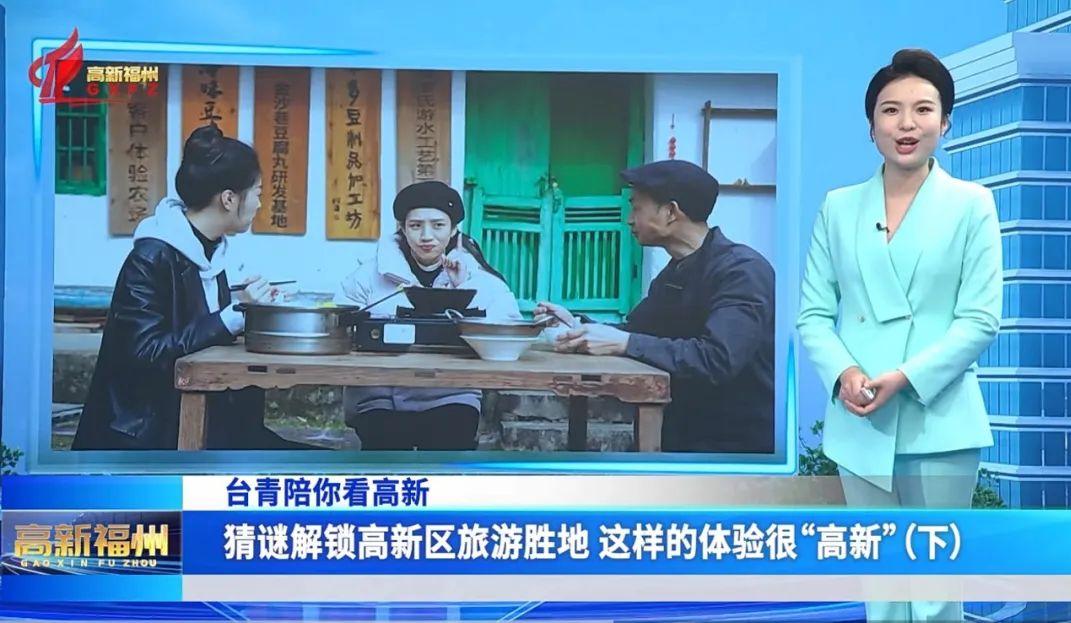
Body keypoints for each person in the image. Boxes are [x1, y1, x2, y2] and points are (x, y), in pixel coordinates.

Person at [796, 49, 1002, 623]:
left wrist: (906, 377)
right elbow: (813, 314)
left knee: (935, 591)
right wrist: (845, 374)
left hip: (940, 420)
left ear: (946, 123)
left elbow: (980, 319)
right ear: (871, 126)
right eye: (890, 110)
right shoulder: (838, 208)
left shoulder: (972, 205)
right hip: (860, 417)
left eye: (922, 109)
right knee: (882, 587)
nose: (906, 124)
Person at [72, 125, 310, 451]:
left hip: (209, 421)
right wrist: (234, 314)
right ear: (229, 199)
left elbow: (201, 327)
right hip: (150, 434)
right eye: (257, 193)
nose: (259, 204)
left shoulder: (213, 251)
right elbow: (146, 353)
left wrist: (251, 307)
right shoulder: (151, 257)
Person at [536, 160, 775, 453]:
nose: (629, 220)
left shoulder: (742, 271)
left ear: (671, 212)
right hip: (681, 435)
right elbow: (637, 332)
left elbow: (717, 358)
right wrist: (576, 326)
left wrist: (625, 342)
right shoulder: (674, 274)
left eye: (636, 208)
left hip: (735, 448)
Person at [338, 181, 519, 450]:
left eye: (438, 225)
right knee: (387, 454)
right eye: (415, 225)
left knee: (448, 452)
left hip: (453, 393)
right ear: (402, 228)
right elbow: (340, 324)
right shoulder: (368, 275)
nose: (426, 236)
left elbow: (508, 329)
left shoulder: (479, 277)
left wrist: (464, 288)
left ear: (453, 229)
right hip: (380, 396)